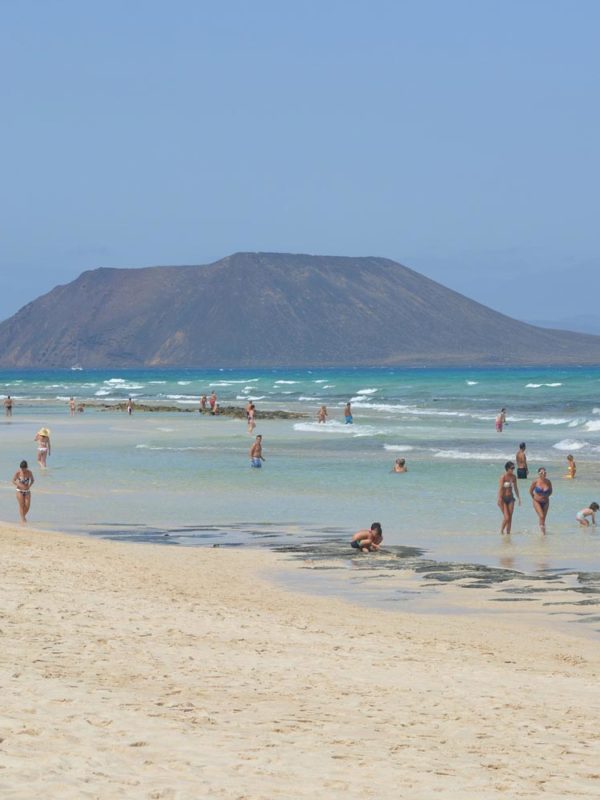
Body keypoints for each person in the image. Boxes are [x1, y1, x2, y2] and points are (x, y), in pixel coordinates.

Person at [497, 461, 521, 535]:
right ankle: (501, 531)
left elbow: (516, 488)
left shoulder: (514, 477)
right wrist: (499, 499)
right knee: (506, 517)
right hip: (503, 499)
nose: (513, 469)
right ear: (507, 468)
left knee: (510, 518)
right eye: (512, 468)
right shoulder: (503, 477)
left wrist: (519, 498)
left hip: (511, 499)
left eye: (514, 468)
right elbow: (500, 488)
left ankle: (508, 534)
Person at [529, 467, 553, 533]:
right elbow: (530, 491)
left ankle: (542, 533)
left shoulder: (548, 482)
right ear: (539, 474)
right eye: (542, 473)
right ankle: (543, 533)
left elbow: (551, 491)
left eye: (545, 472)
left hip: (546, 502)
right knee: (541, 516)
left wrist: (546, 495)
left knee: (543, 519)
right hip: (537, 501)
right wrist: (534, 498)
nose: (544, 474)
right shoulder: (535, 482)